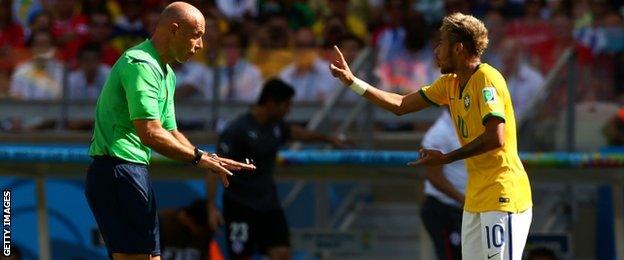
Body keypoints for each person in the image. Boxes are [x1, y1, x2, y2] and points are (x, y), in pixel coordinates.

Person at [330, 12, 533, 260]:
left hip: (503, 194)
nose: (435, 50)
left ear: (458, 48)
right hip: (476, 197)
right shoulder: (450, 83)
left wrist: (446, 158)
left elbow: (495, 138)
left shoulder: (486, 79)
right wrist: (352, 82)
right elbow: (401, 104)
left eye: (441, 43)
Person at [84, 2, 255, 260]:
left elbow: (169, 130)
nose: (200, 45)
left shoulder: (167, 74)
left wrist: (207, 157)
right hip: (118, 172)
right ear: (174, 30)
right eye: (197, 35)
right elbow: (150, 133)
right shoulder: (139, 64)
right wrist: (198, 158)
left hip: (131, 172)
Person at [208, 78, 346, 260]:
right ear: (271, 102)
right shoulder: (237, 130)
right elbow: (214, 165)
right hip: (240, 206)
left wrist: (327, 138)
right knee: (241, 257)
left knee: (282, 254)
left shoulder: (275, 127)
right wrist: (211, 207)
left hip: (268, 205)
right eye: (286, 105)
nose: (288, 110)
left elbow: (295, 132)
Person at [419, 110, 466, 260]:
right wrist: (464, 200)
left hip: (465, 209)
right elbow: (434, 176)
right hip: (445, 209)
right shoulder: (439, 134)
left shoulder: (471, 126)